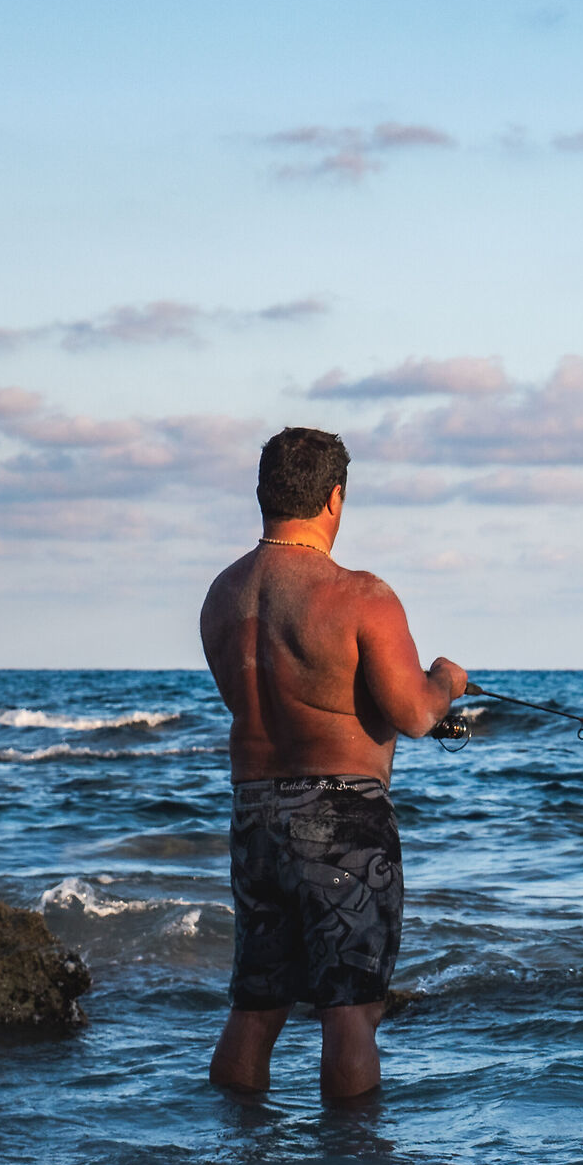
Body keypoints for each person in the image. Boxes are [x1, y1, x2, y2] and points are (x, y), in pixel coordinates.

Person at [198, 427, 468, 1101]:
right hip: (342, 818)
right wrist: (447, 680)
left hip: (254, 814)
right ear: (335, 498)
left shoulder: (223, 596)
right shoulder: (360, 595)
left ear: (262, 493)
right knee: (350, 1009)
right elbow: (412, 713)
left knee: (257, 1006)